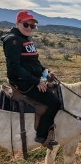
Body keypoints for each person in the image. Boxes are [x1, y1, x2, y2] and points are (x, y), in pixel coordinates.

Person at [1, 10, 61, 146]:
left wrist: (46, 71)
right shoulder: (12, 40)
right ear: (17, 23)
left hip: (30, 78)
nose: (29, 28)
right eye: (26, 24)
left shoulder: (25, 40)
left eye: (32, 26)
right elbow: (15, 67)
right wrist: (37, 81)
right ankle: (41, 135)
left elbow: (34, 63)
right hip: (22, 82)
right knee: (55, 103)